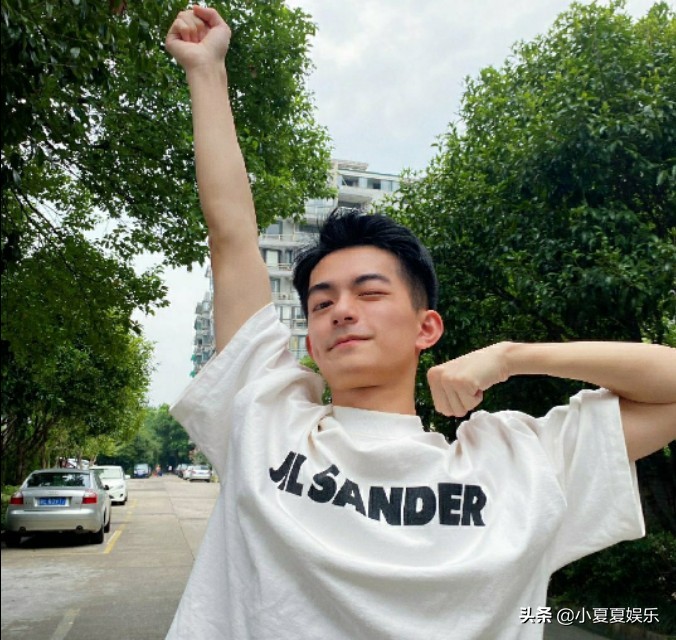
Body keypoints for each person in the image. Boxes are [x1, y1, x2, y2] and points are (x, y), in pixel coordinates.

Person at [164, 7, 676, 640]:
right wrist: (206, 71)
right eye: (321, 303)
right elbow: (232, 237)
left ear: (426, 328)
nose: (340, 310)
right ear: (312, 338)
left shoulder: (517, 466)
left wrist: (512, 356)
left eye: (369, 293)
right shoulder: (264, 421)